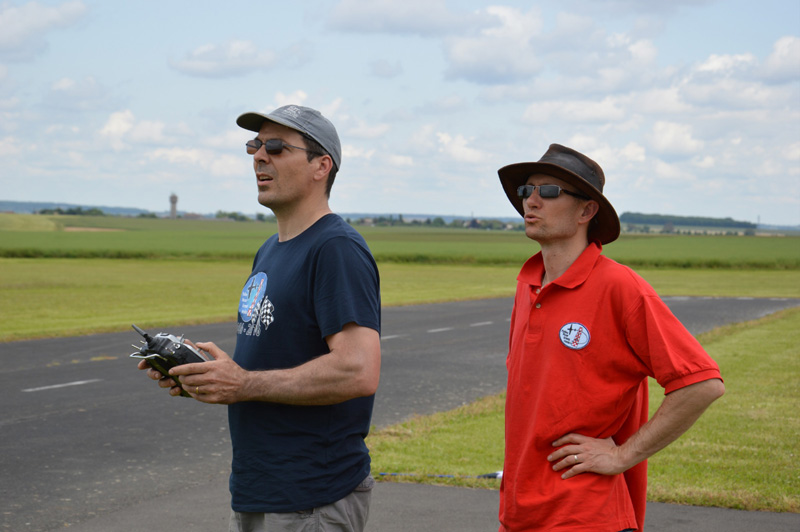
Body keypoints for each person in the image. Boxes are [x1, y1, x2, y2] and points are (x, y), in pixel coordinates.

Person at [138, 105, 381, 532]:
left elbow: (357, 370)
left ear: (321, 166)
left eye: (276, 146)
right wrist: (210, 376)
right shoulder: (270, 249)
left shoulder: (336, 248)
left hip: (311, 497)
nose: (259, 156)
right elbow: (273, 364)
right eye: (255, 145)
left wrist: (244, 383)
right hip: (258, 489)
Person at [496, 144, 725, 532]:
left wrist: (621, 456)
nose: (531, 201)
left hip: (586, 515)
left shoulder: (619, 287)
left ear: (587, 211)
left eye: (548, 191)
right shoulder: (528, 283)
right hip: (520, 514)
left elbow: (701, 384)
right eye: (526, 190)